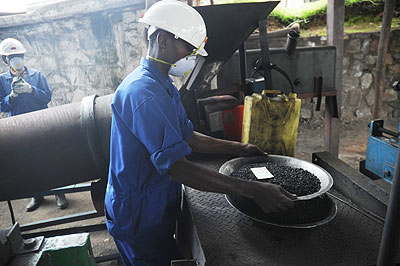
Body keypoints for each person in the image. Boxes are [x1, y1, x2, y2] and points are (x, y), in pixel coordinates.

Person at [104, 1, 296, 265]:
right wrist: (252, 190)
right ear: (162, 39)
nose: (193, 57)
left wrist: (240, 148)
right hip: (137, 211)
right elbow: (177, 168)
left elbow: (188, 137)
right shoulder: (143, 94)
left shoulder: (163, 85)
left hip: (155, 201)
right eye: (189, 48)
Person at [0, 38, 69, 212]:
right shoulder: (2, 81)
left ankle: (59, 192)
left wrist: (31, 90)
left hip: (41, 123)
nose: (16, 59)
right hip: (18, 127)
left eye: (18, 55)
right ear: (5, 60)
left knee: (49, 159)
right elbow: (2, 106)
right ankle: (37, 195)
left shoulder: (36, 76)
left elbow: (46, 97)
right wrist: (12, 96)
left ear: (23, 56)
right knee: (27, 162)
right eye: (11, 57)